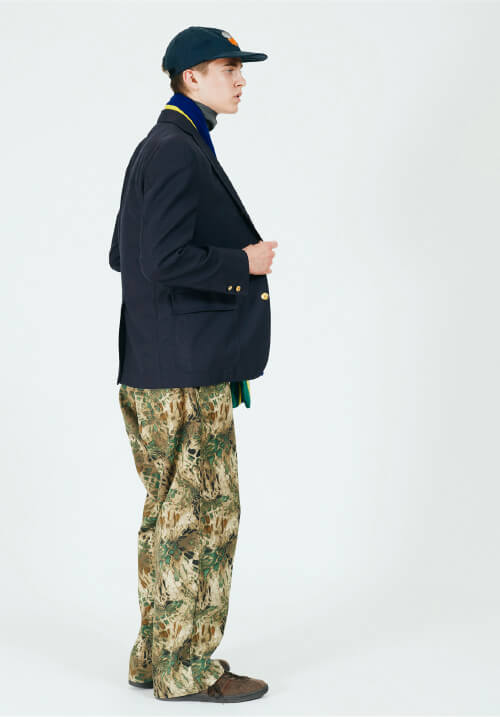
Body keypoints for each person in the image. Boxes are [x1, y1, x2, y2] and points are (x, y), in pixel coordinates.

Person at [108, 26, 277, 703]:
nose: (240, 80)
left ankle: (155, 656)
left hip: (153, 368)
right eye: (227, 68)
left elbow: (125, 254)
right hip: (182, 376)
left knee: (169, 516)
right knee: (203, 519)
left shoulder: (161, 146)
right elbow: (158, 259)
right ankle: (185, 668)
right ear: (190, 79)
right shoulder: (177, 150)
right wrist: (243, 262)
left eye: (239, 69)